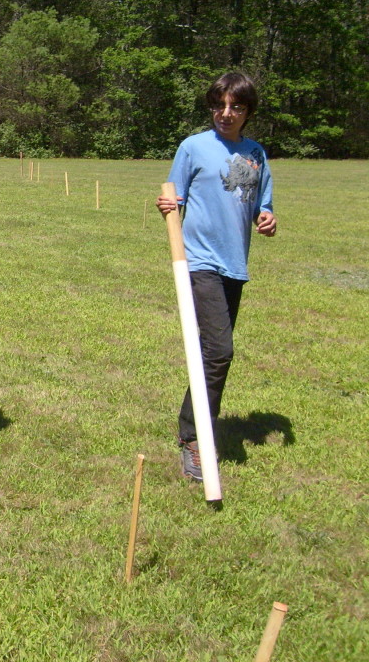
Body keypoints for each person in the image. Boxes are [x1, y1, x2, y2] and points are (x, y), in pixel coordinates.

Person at [156, 72, 277, 482]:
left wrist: (268, 218)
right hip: (199, 262)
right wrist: (167, 203)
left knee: (213, 356)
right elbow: (175, 198)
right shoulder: (193, 147)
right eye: (220, 105)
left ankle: (194, 428)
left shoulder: (256, 154)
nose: (226, 114)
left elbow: (263, 205)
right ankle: (195, 439)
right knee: (219, 350)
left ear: (247, 112)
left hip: (235, 266)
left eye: (236, 107)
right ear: (211, 107)